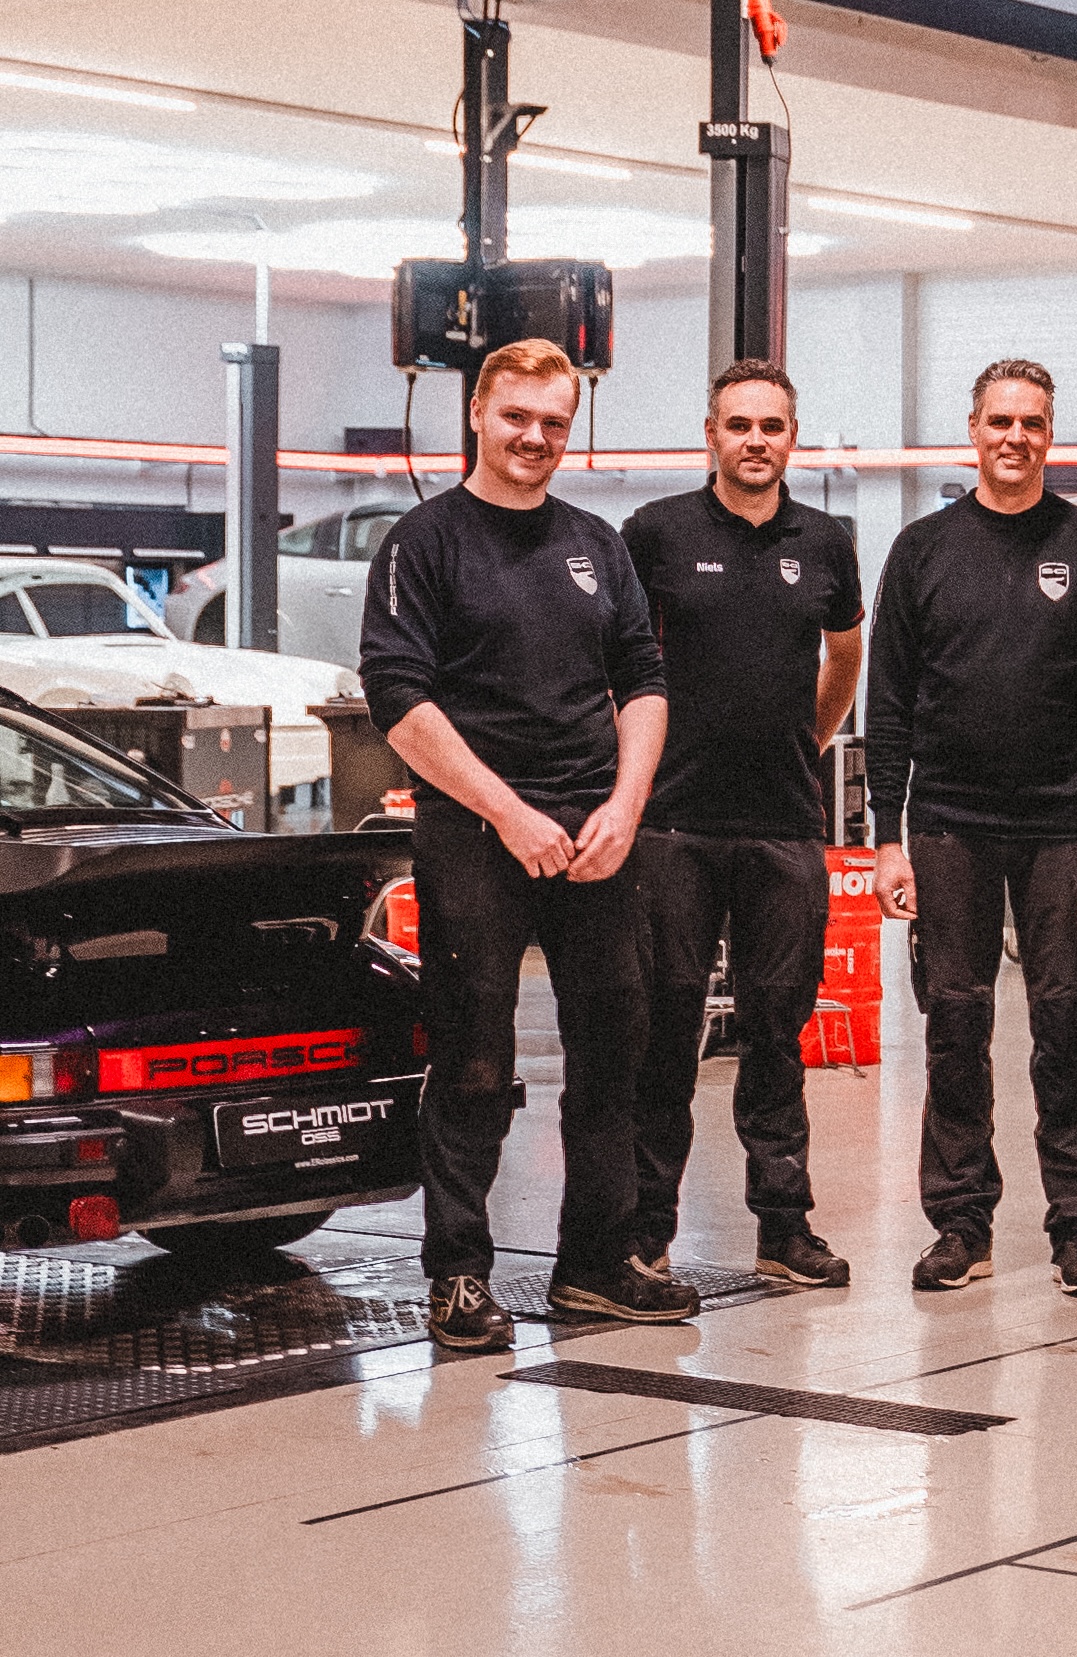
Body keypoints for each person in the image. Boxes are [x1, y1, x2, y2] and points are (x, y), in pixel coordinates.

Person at [360, 337, 694, 1348]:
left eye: (555, 421)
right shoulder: (424, 543)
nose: (536, 437)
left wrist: (625, 805)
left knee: (615, 1049)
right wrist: (507, 810)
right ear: (477, 412)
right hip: (474, 827)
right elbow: (398, 699)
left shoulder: (596, 543)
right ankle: (460, 1274)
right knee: (472, 1053)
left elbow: (643, 680)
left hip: (594, 831)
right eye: (518, 416)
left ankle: (594, 1264)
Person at [870, 358, 1077, 1299]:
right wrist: (887, 834)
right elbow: (889, 701)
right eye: (1000, 421)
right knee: (955, 1019)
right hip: (948, 824)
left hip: (1061, 825)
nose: (1015, 437)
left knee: (1068, 1019)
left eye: (1032, 422)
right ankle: (961, 1222)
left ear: (1050, 434)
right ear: (973, 430)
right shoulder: (922, 548)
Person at [618, 359, 864, 1292]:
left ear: (791, 437)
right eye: (739, 425)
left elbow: (845, 651)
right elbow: (620, 660)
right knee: (665, 1032)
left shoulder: (827, 540)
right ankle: (645, 1229)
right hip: (673, 826)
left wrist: (810, 740)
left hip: (784, 825)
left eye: (772, 426)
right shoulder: (657, 533)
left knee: (777, 1032)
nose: (755, 441)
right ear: (711, 434)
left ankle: (784, 1227)